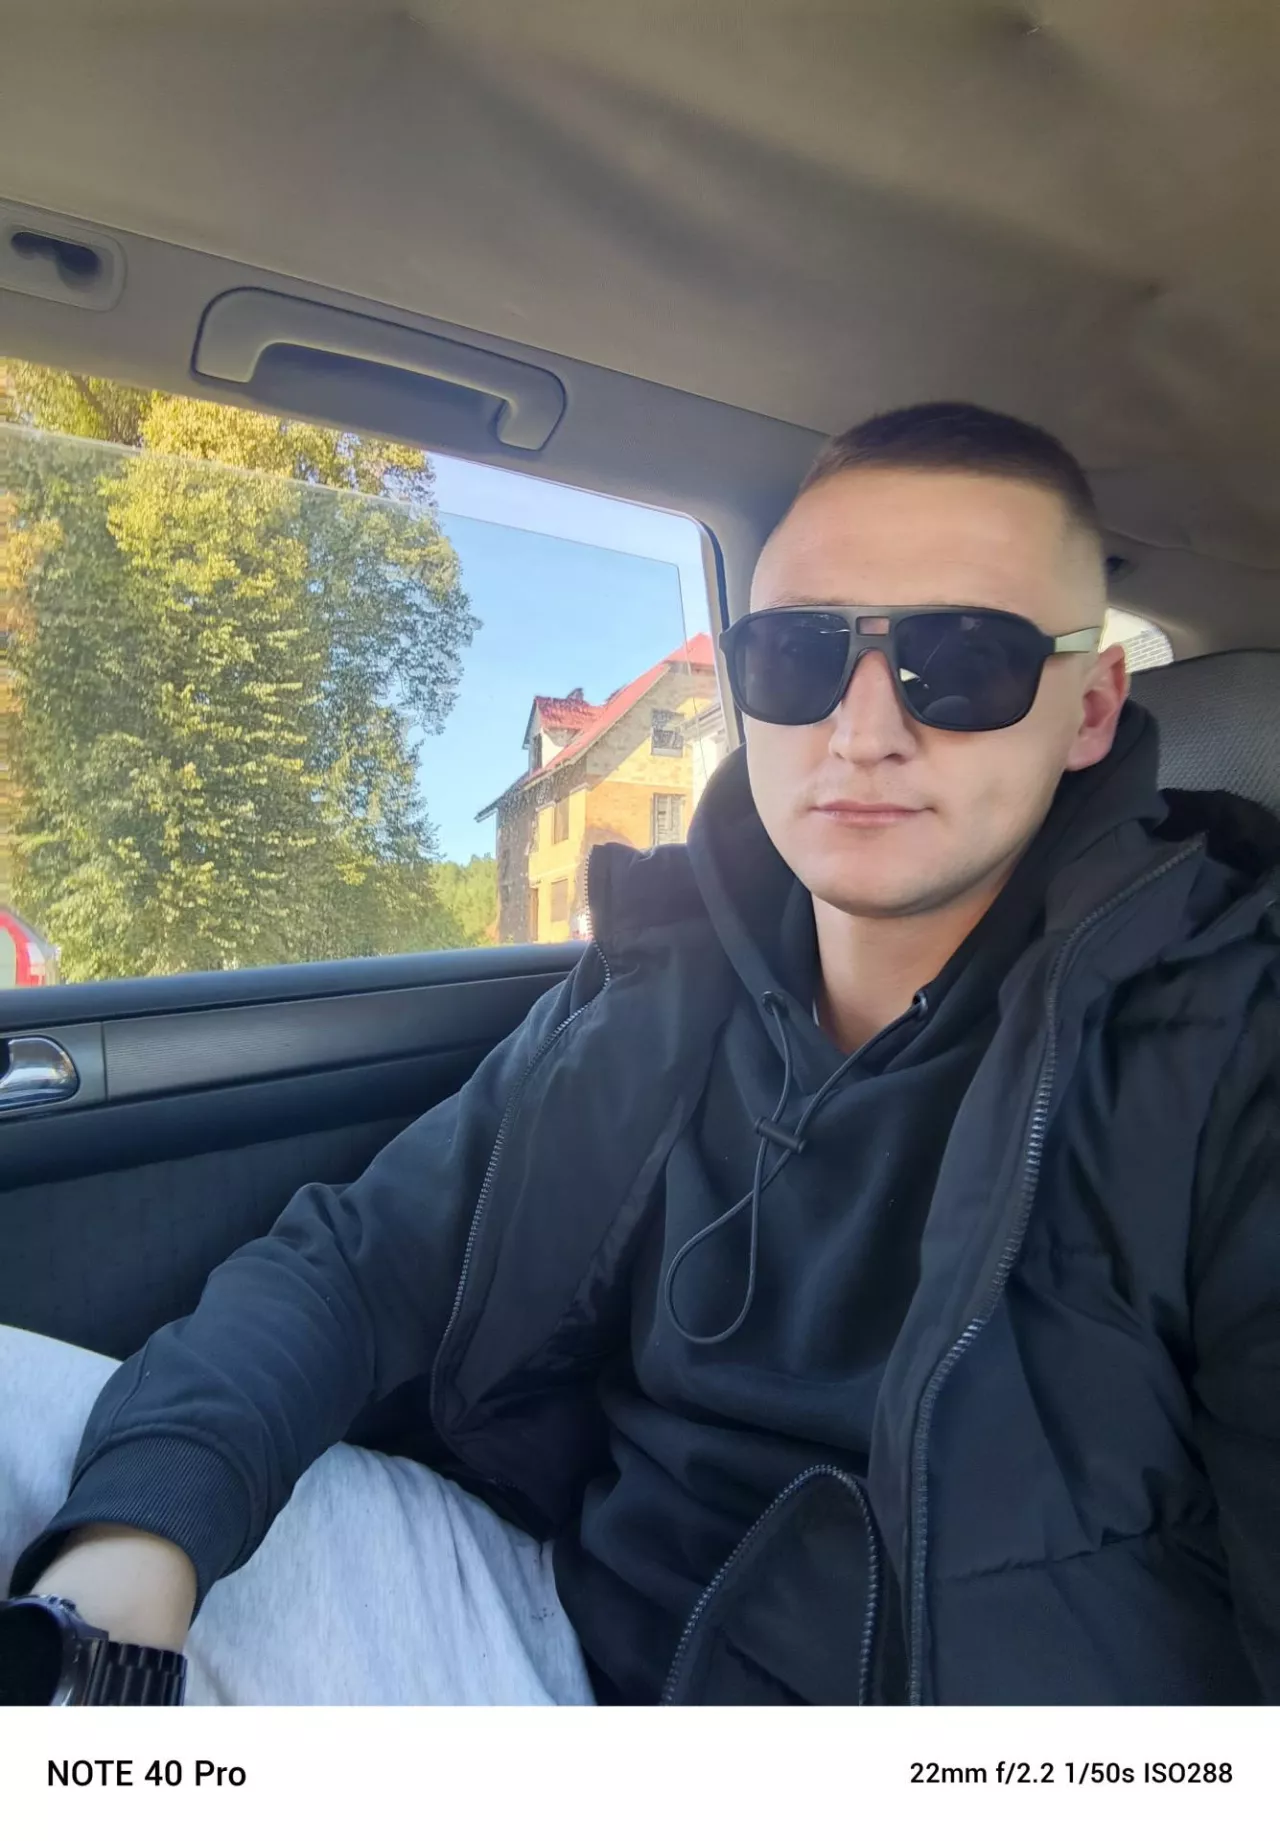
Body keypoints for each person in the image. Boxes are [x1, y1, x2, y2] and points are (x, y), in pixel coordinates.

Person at [2, 402, 1277, 1706]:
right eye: (799, 656)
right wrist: (134, 1551)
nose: (862, 729)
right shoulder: (668, 971)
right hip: (544, 1643)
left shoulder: (1230, 1044)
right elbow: (360, 1264)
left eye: (964, 662)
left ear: (1090, 709)